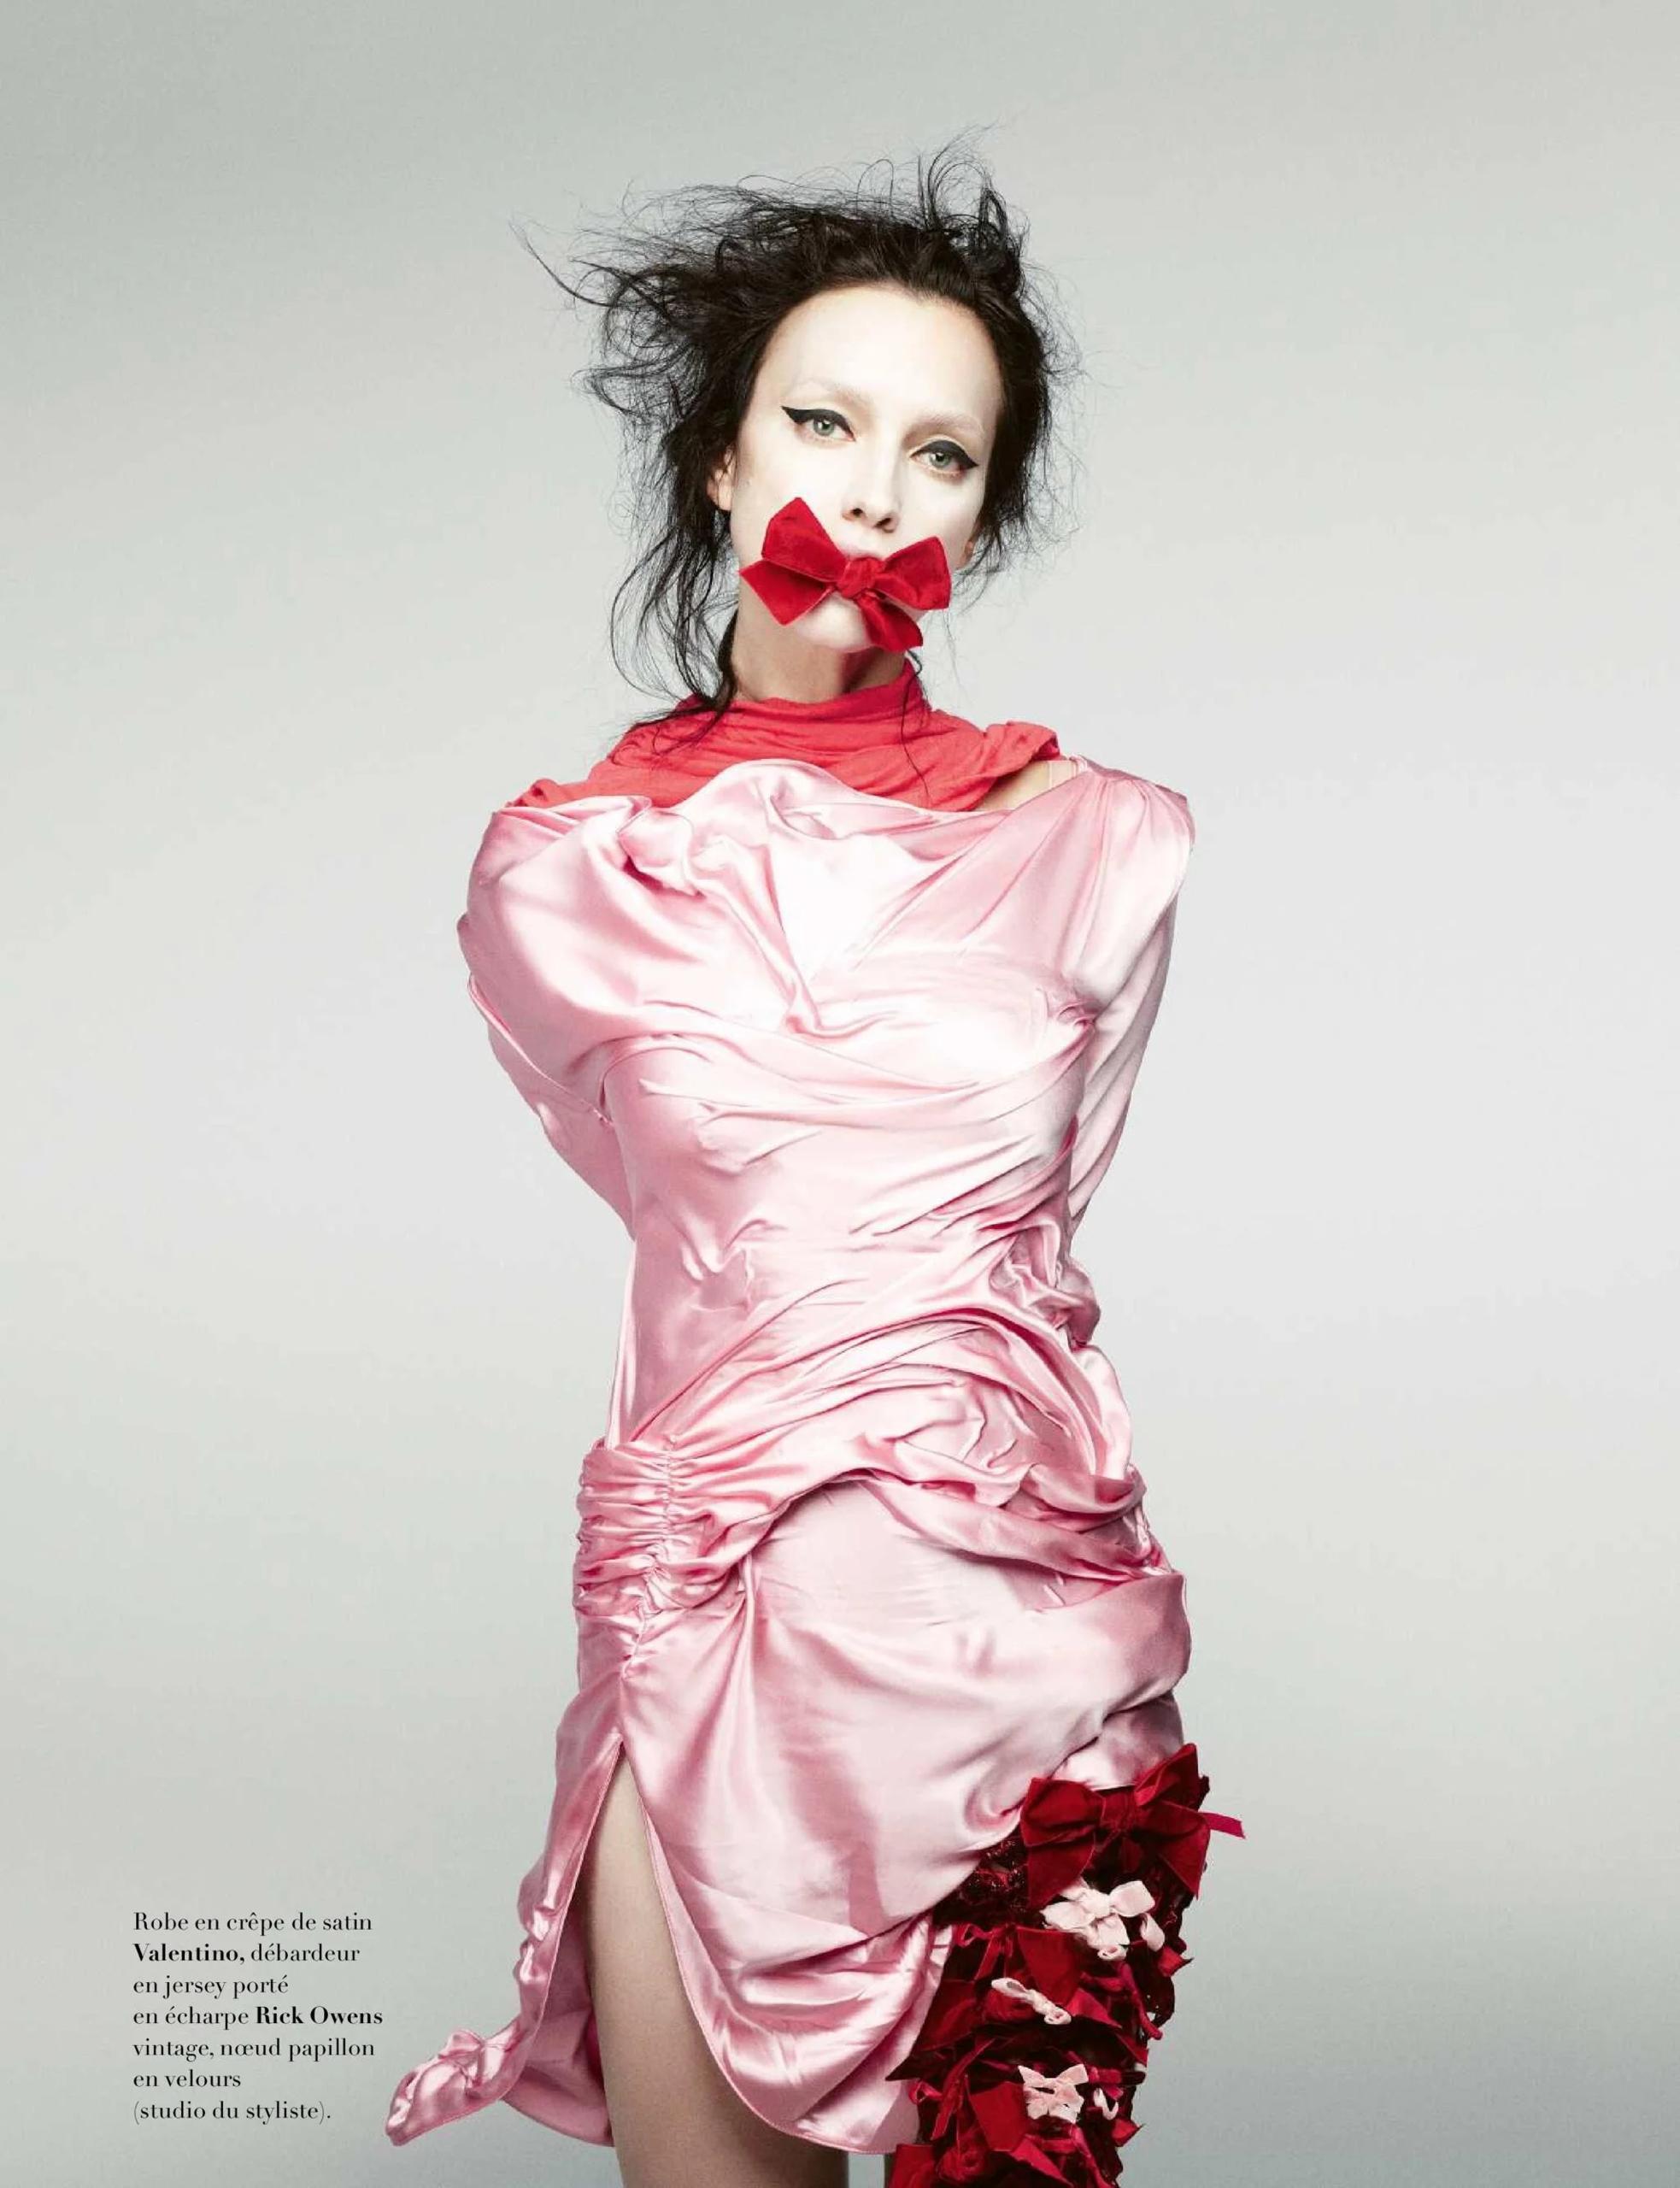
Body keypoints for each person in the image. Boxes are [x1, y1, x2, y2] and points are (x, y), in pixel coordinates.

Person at [385, 144, 1243, 2188]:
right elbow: (688, 1210)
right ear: (720, 456)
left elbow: (1027, 1220)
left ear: (980, 512)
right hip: (717, 1625)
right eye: (823, 424)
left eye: (940, 454)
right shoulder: (563, 871)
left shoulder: (1092, 844)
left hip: (1009, 1634)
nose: (872, 495)